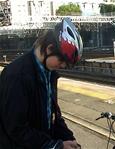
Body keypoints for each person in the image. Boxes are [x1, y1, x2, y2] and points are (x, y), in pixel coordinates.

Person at [0, 18, 83, 149]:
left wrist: (68, 138)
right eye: (62, 61)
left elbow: (54, 116)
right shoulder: (16, 75)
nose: (62, 66)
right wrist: (55, 145)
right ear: (49, 49)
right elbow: (16, 128)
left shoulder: (49, 74)